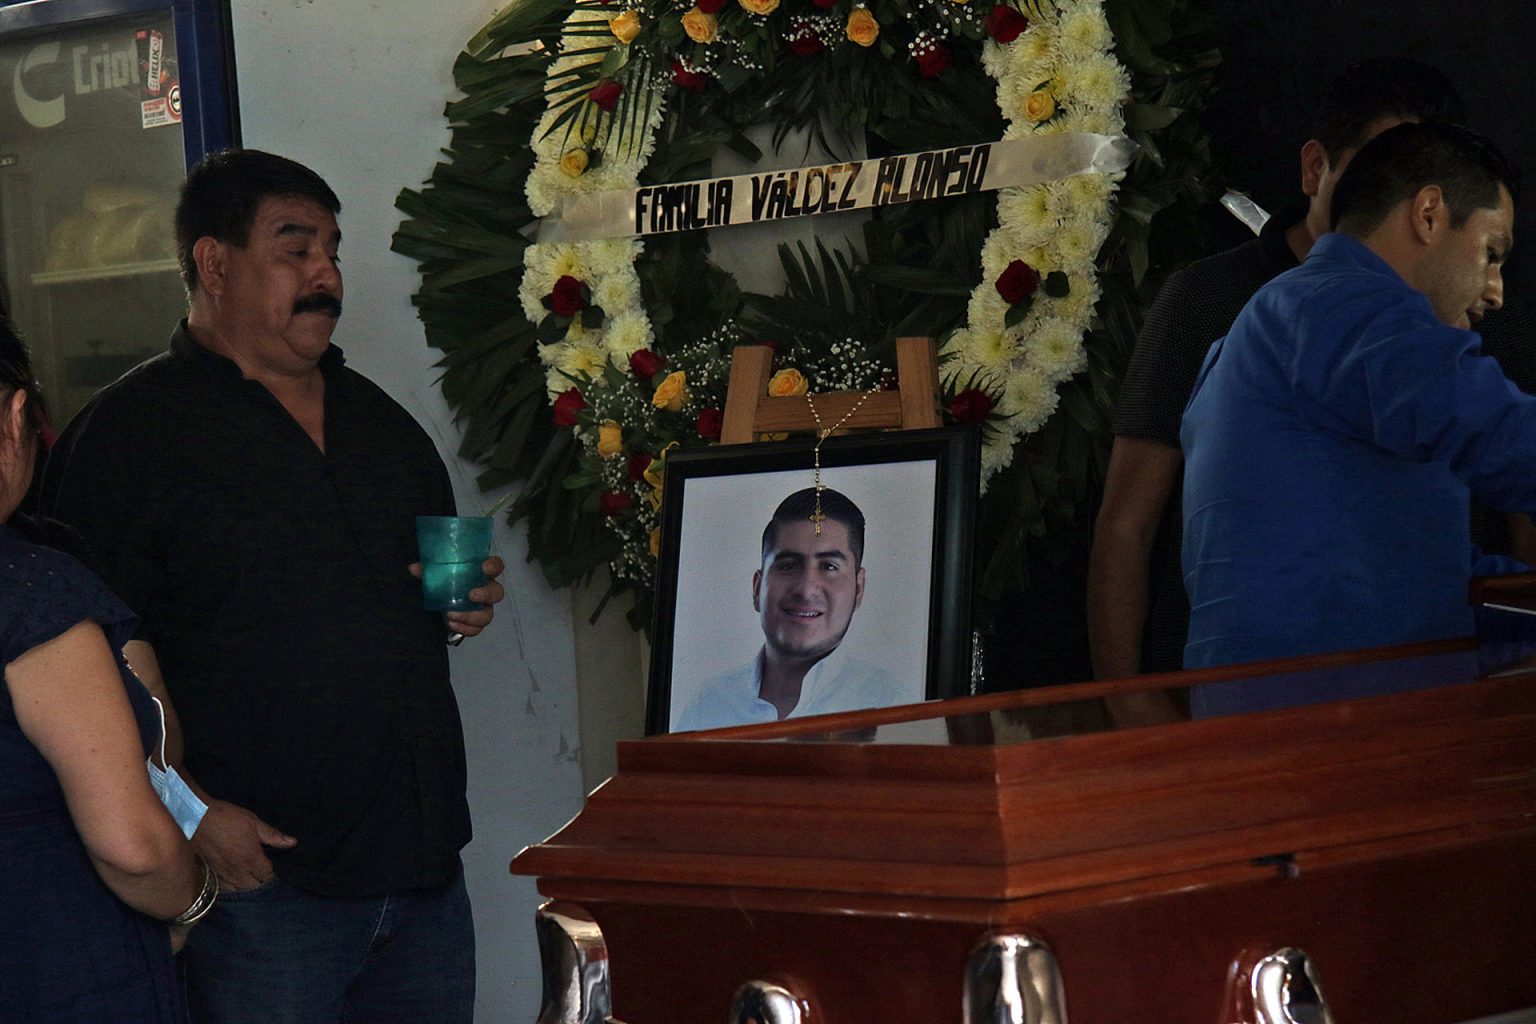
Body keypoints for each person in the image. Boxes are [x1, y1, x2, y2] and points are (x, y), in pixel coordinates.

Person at [40, 150, 504, 1024]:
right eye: (295, 248)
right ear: (214, 264)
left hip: (423, 872)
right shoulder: (129, 439)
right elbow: (85, 668)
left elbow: (415, 602)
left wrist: (461, 608)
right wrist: (188, 812)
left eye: (331, 249)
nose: (326, 274)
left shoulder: (383, 425)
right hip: (258, 887)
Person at [1086, 58, 1536, 682]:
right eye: (1491, 253)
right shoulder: (1343, 305)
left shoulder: (1290, 310)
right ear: (1427, 211)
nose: (1495, 293)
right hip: (1323, 741)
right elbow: (1508, 441)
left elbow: (1420, 580)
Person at [2, 320, 213, 1021]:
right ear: (12, 418)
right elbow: (133, 847)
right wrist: (194, 898)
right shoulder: (30, 590)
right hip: (54, 967)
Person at [672, 487, 903, 731]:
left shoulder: (894, 707)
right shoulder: (708, 705)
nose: (805, 589)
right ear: (757, 588)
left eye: (828, 567)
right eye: (788, 566)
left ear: (858, 589)